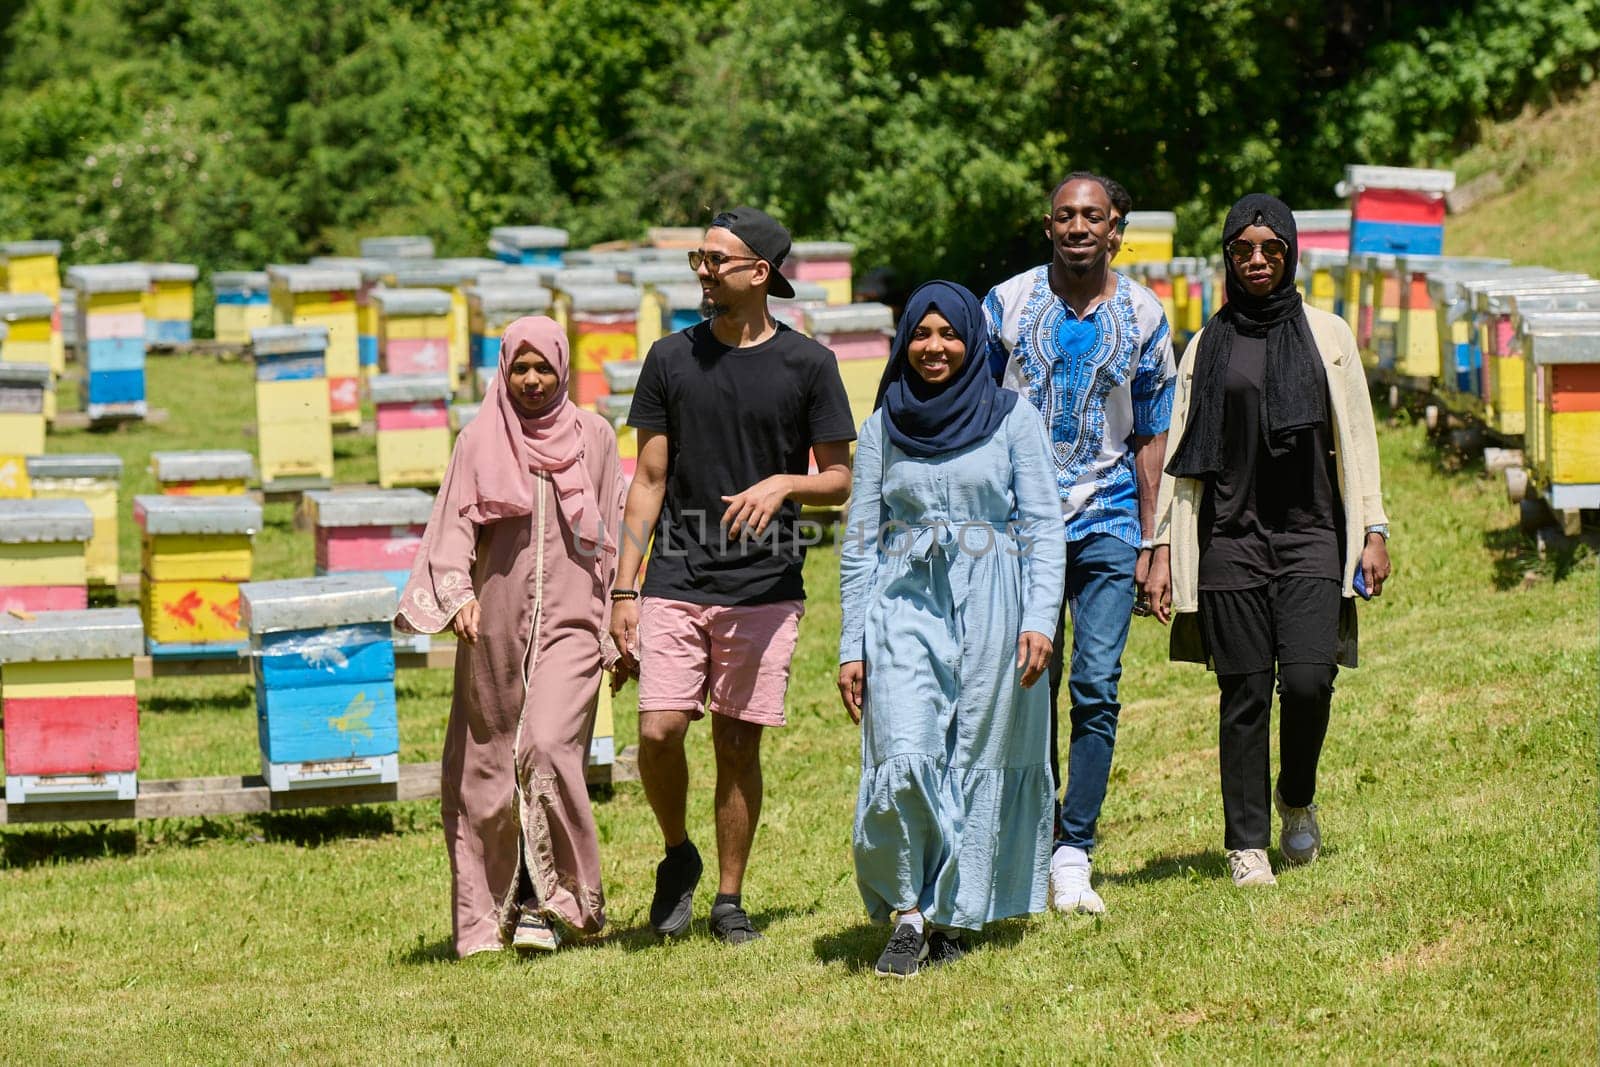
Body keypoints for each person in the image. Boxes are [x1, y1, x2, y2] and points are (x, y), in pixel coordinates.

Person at [609, 207, 856, 944]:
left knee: (736, 741)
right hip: (676, 574)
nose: (704, 269)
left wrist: (784, 484)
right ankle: (677, 852)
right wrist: (625, 587)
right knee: (658, 730)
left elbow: (841, 475)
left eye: (717, 258)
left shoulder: (809, 364)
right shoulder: (669, 359)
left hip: (764, 584)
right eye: (700, 257)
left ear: (761, 274)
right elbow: (648, 479)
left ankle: (727, 896)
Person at [1144, 193, 1391, 888]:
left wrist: (1374, 526)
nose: (1257, 260)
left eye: (1270, 249)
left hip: (1313, 531)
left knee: (1311, 679)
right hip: (1230, 538)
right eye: (1244, 249)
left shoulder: (1329, 335)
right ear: (1229, 256)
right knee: (1245, 691)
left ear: (1290, 255)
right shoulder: (1205, 346)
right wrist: (1162, 545)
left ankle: (1296, 796)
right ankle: (1246, 841)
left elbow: (1361, 442)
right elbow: (1181, 453)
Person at [838, 281, 1064, 977]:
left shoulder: (1012, 417)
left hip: (996, 598)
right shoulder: (881, 427)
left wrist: (1040, 618)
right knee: (905, 751)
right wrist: (852, 644)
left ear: (972, 340)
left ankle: (954, 910)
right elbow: (858, 541)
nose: (934, 347)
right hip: (903, 601)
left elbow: (1044, 525)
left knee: (974, 754)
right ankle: (908, 910)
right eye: (921, 334)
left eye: (949, 333)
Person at [395, 316, 627, 957]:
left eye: (542, 368)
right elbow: (451, 528)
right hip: (493, 626)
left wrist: (618, 617)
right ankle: (490, 916)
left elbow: (612, 525)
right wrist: (457, 594)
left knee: (549, 747)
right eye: (519, 368)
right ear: (504, 369)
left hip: (573, 621)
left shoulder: (595, 438)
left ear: (562, 369)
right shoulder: (479, 439)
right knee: (489, 770)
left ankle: (553, 900)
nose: (531, 381)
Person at [981, 171, 1177, 915]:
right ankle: (1033, 833)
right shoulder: (1005, 304)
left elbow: (1154, 435)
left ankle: (1074, 848)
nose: (1078, 226)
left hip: (1110, 518)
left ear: (1115, 227)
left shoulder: (1146, 314)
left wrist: (1153, 543)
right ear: (1048, 226)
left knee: (1096, 685)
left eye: (1092, 215)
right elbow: (976, 409)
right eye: (1065, 215)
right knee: (1032, 685)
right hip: (1019, 525)